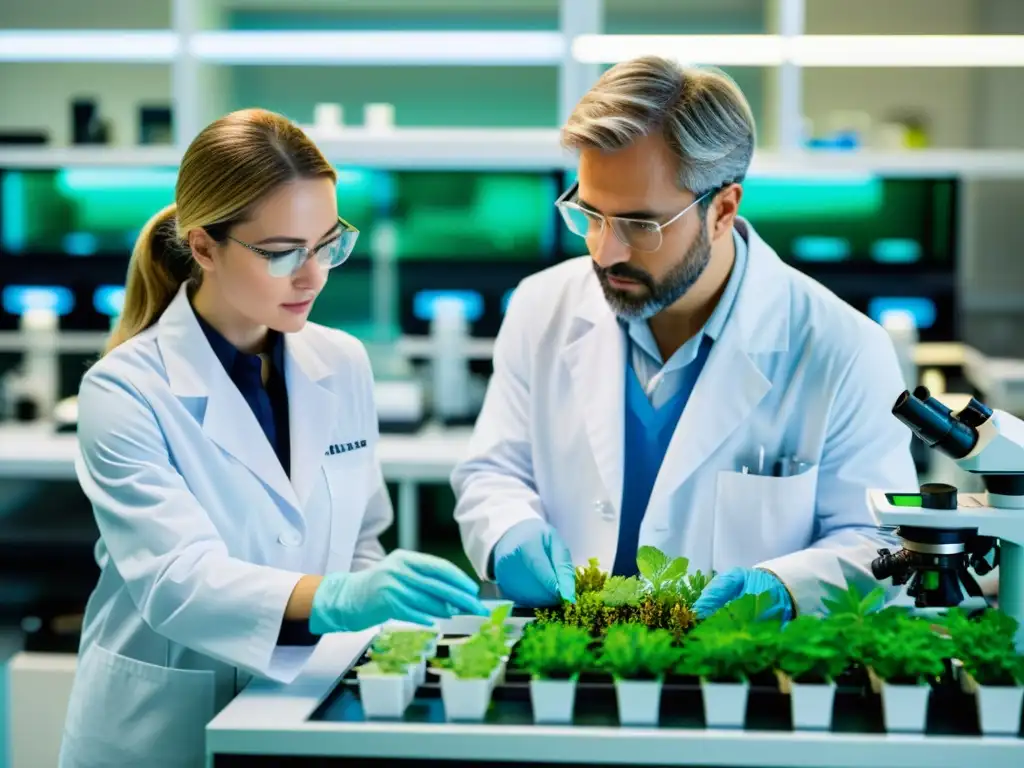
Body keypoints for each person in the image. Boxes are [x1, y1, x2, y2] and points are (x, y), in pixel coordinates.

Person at [59, 108, 487, 768]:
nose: (312, 275)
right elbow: (178, 582)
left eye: (328, 244)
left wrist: (386, 616)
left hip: (306, 705)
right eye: (283, 252)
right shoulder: (125, 389)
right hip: (162, 728)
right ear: (203, 247)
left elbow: (363, 538)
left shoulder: (342, 363)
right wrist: (339, 599)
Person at [451, 57, 917, 620]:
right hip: (568, 660)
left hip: (741, 673)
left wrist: (785, 588)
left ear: (722, 210)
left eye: (640, 226)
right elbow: (493, 471)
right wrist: (509, 531)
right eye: (590, 214)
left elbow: (880, 542)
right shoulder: (540, 306)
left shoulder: (843, 348)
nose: (605, 251)